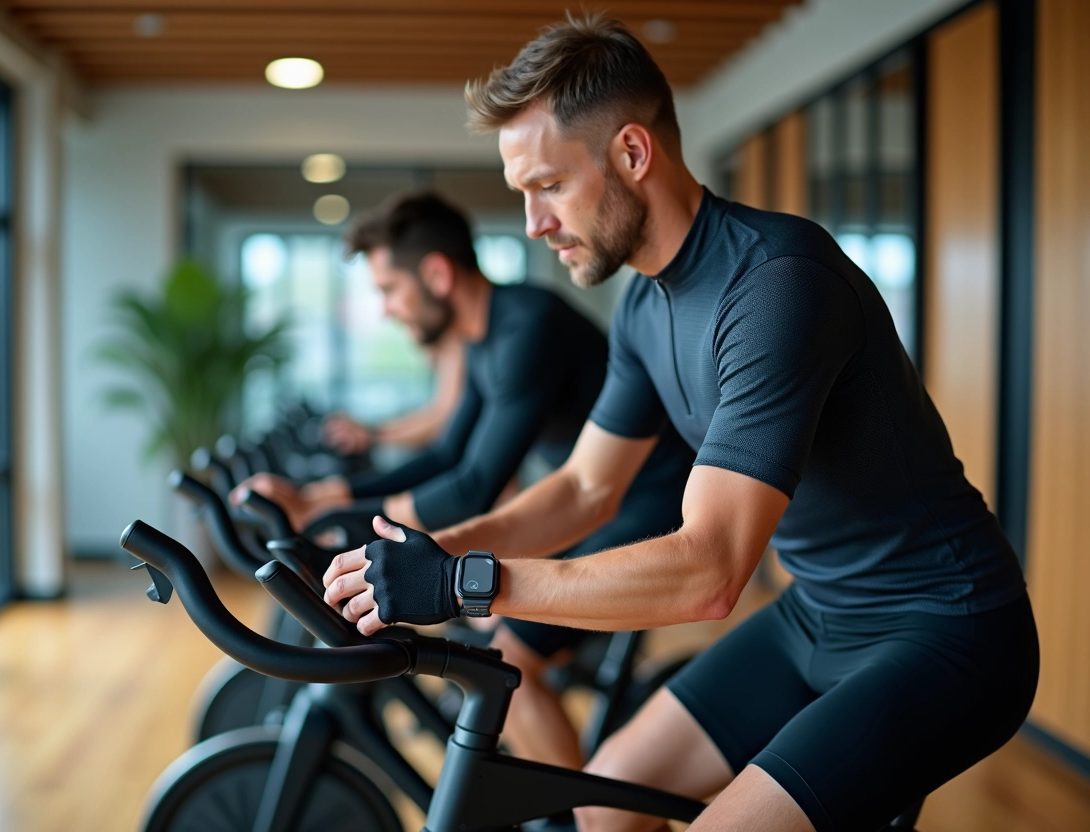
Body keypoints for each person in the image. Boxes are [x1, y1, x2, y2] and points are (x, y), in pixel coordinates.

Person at [321, 15, 1038, 832]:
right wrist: (444, 552)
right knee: (600, 807)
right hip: (817, 614)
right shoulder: (641, 307)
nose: (532, 224)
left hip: (948, 629)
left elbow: (710, 572)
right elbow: (586, 488)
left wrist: (468, 583)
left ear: (633, 154)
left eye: (548, 186)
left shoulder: (776, 285)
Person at [236, 191, 693, 767]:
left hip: (648, 511)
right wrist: (325, 500)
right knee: (489, 637)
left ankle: (583, 820)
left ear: (436, 274)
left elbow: (477, 482)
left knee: (509, 661)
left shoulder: (527, 326)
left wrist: (338, 515)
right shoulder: (486, 339)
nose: (386, 310)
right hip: (599, 509)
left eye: (388, 290)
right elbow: (450, 454)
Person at [321, 333, 466, 456]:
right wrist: (371, 433)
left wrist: (371, 436)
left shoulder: (454, 340)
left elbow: (443, 420)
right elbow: (436, 413)